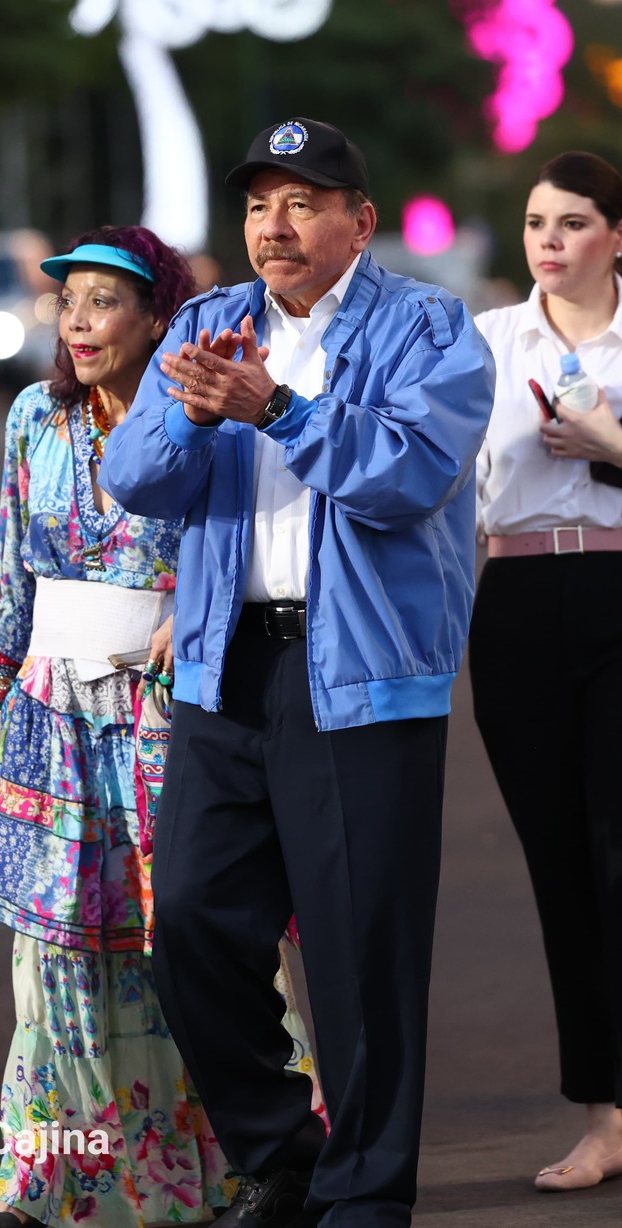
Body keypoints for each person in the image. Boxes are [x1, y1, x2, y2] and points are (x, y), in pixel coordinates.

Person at [100, 119, 495, 1228]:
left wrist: (276, 407)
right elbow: (134, 478)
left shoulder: (427, 325)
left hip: (359, 674)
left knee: (362, 950)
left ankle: (367, 1194)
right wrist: (190, 414)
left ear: (359, 224)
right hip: (225, 667)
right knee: (191, 923)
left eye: (302, 202)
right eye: (258, 205)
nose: (274, 225)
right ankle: (286, 1152)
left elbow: (411, 474)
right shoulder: (206, 323)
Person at [0, 224, 325, 1228]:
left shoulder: (205, 419)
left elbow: (246, 545)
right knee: (56, 952)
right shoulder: (34, 415)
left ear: (160, 317)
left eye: (104, 302)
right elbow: (14, 570)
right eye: (68, 302)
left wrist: (190, 609)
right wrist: (2, 695)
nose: (79, 323)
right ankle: (41, 1184)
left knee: (195, 938)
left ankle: (254, 1162)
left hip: (169, 714)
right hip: (52, 715)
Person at [470, 150, 622, 1192]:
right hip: (517, 602)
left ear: (616, 236)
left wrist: (612, 441)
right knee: (563, 870)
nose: (549, 241)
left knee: (621, 856)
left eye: (572, 222)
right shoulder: (485, 342)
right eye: (535, 223)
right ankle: (603, 1118)